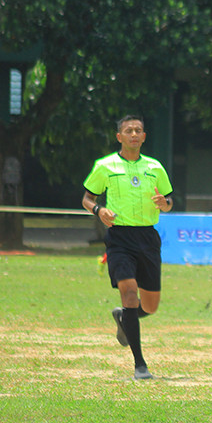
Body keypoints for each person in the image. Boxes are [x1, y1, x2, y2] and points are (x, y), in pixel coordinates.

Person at [82, 114, 173, 380]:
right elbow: (87, 198)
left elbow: (169, 201)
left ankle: (124, 318)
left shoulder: (155, 167)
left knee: (150, 306)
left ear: (144, 137)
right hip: (119, 238)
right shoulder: (105, 165)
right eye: (128, 130)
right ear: (119, 136)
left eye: (138, 131)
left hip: (148, 237)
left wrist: (163, 203)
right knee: (130, 293)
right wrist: (98, 210)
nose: (134, 134)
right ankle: (140, 365)